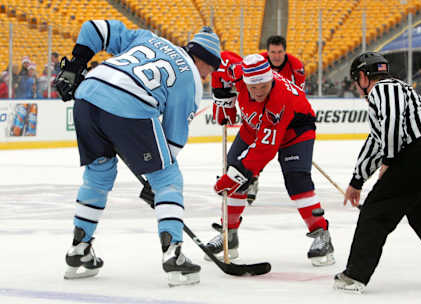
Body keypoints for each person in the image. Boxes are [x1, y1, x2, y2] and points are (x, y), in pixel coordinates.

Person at [54, 20, 221, 286]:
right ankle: (173, 254)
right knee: (168, 178)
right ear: (206, 61)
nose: (207, 75)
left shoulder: (149, 37)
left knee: (99, 172)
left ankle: (79, 248)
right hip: (130, 103)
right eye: (211, 69)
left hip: (88, 93)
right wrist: (156, 182)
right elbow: (172, 140)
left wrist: (77, 65)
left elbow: (95, 29)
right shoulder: (191, 80)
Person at [334, 52, 421, 293]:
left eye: (355, 80)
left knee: (375, 211)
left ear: (363, 76)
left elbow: (391, 126)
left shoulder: (383, 89)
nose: (356, 87)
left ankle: (355, 275)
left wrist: (389, 161)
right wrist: (357, 180)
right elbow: (377, 140)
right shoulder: (399, 91)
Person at [207, 54, 334, 266]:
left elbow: (265, 149)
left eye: (263, 87)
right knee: (235, 173)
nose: (258, 93)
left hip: (296, 131)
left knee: (296, 180)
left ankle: (321, 234)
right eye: (253, 88)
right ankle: (229, 235)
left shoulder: (278, 99)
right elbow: (219, 65)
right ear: (244, 81)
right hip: (253, 127)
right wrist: (222, 99)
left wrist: (236, 175)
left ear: (270, 79)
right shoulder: (239, 71)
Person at [243, 36, 306, 205]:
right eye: (273, 52)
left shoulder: (296, 66)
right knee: (260, 144)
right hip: (261, 109)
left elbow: (298, 96)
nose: (276, 56)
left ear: (285, 51)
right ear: (267, 52)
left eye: (279, 52)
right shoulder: (258, 62)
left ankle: (300, 186)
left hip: (286, 110)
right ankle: (253, 178)